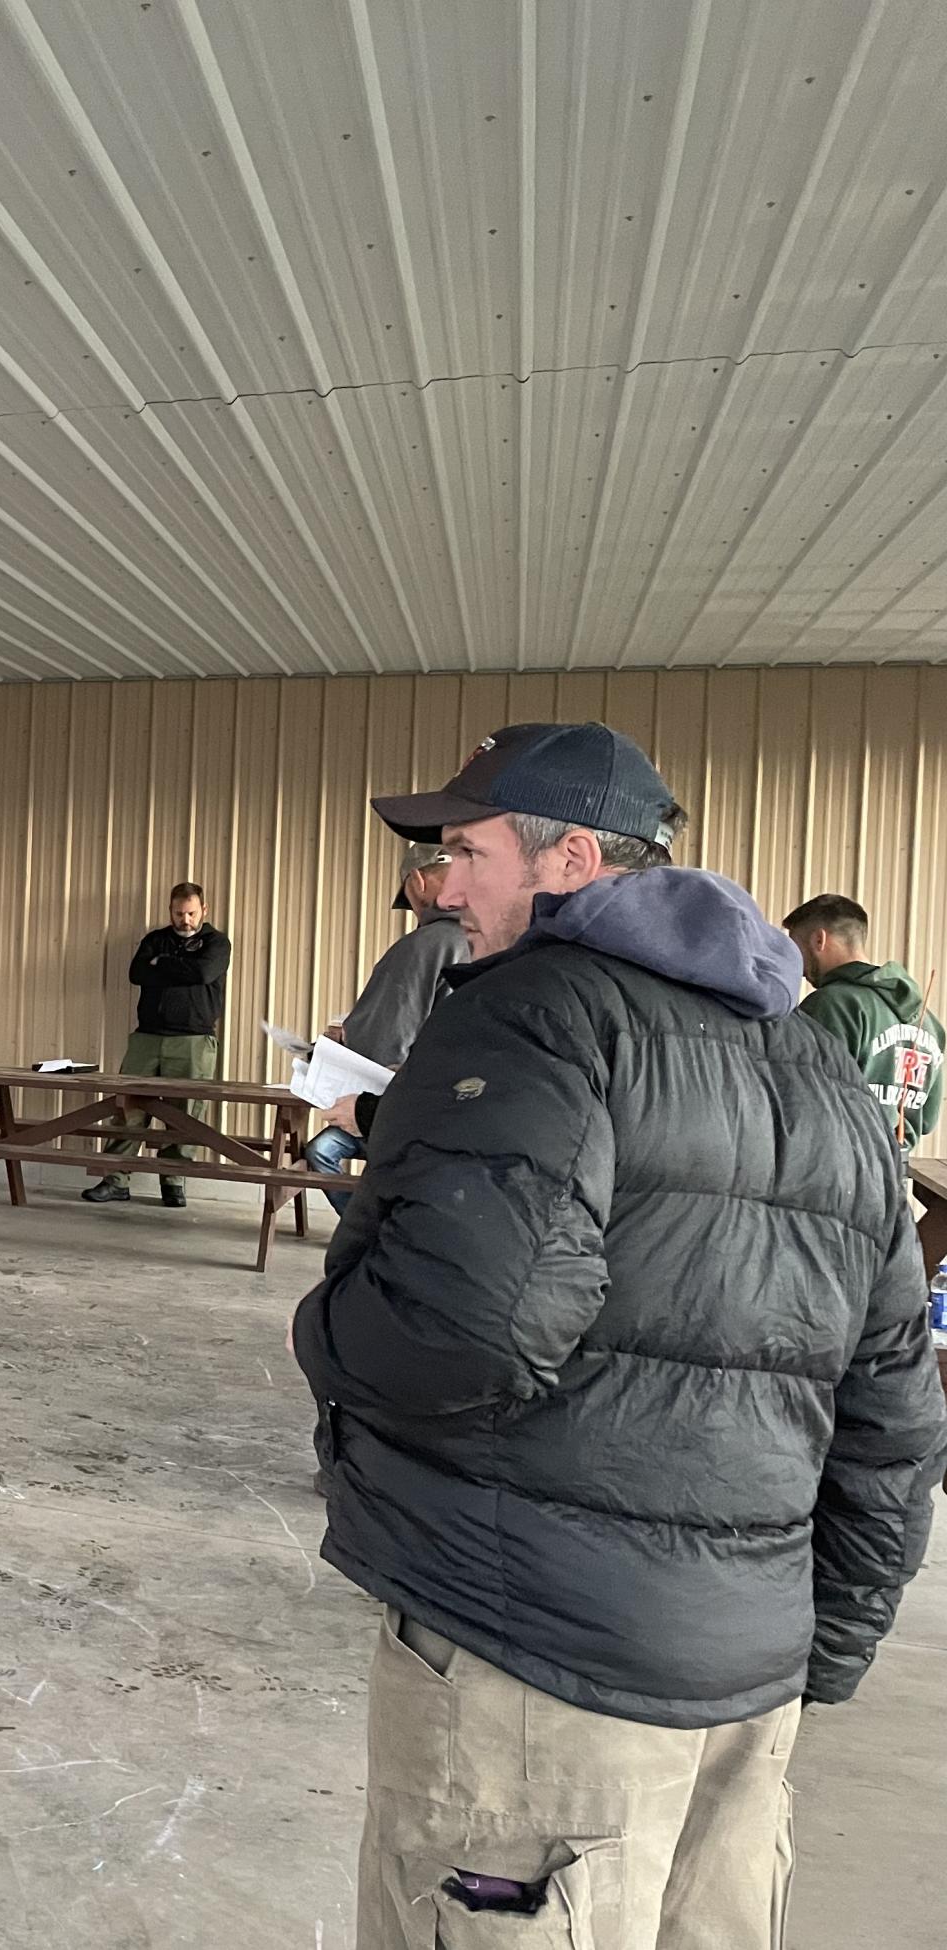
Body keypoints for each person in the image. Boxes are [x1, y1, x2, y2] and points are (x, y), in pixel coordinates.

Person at [292, 722, 947, 1949]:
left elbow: (459, 1333)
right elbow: (895, 1410)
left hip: (532, 1673)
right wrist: (820, 1649)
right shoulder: (817, 1067)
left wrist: (319, 1326)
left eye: (466, 851)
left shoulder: (526, 1017)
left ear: (569, 859)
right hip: (746, 1688)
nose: (442, 885)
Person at [302, 842, 467, 1215]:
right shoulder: (498, 941)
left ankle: (364, 1231)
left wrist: (342, 1046)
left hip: (413, 1113)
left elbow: (380, 1042)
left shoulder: (426, 946)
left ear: (418, 881)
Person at [85, 882, 231, 1209]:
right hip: (147, 1036)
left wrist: (161, 965)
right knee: (128, 1106)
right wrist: (176, 968)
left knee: (185, 1113)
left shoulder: (216, 942)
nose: (185, 919)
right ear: (170, 911)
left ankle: (173, 1181)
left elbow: (205, 971)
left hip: (193, 1038)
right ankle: (115, 1179)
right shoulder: (155, 939)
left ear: (204, 910)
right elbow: (137, 973)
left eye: (191, 913)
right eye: (179, 913)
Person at [783, 893, 943, 1164]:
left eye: (796, 947)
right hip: (892, 1181)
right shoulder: (927, 1020)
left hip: (833, 1175)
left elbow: (799, 1098)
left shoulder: (831, 1005)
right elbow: (926, 1119)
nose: (798, 970)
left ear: (819, 940)